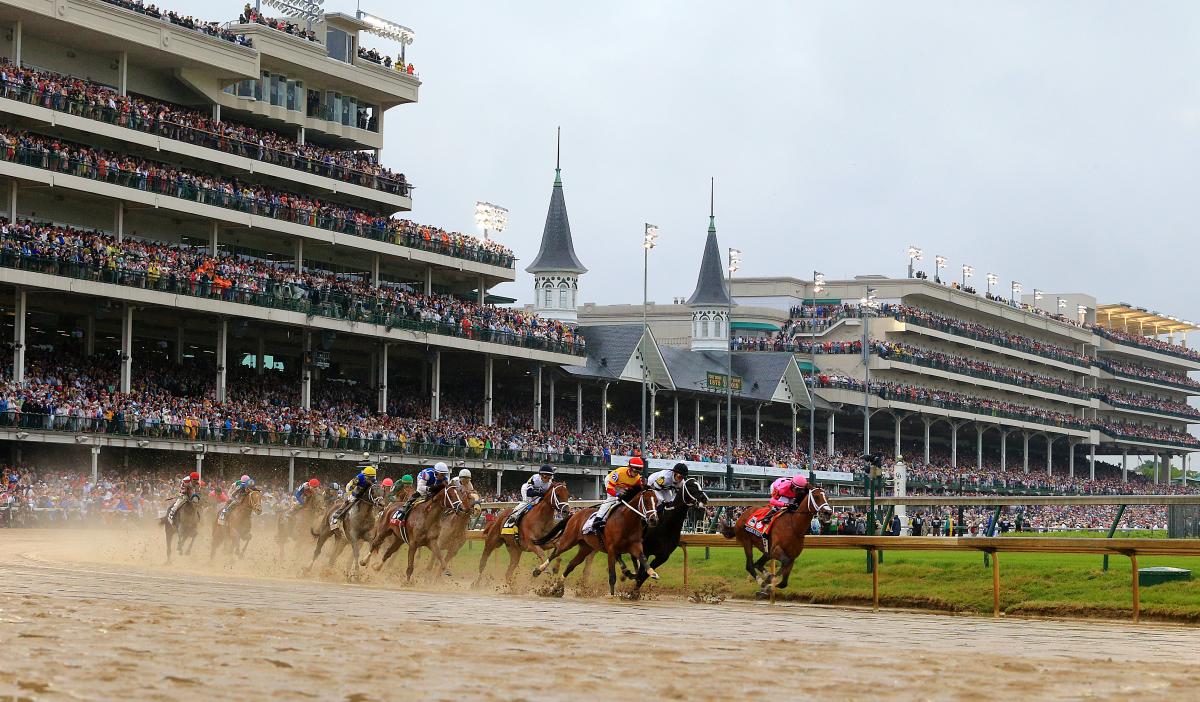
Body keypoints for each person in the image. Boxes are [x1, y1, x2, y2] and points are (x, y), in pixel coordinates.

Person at [591, 457, 644, 538]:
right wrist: (617, 495)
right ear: (629, 467)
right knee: (612, 499)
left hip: (622, 486)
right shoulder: (619, 472)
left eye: (638, 471)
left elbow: (639, 491)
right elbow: (609, 489)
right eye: (635, 470)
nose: (636, 473)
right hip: (611, 483)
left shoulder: (637, 479)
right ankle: (598, 519)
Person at [504, 465, 555, 530]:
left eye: (549, 477)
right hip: (526, 490)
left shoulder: (549, 483)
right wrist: (541, 494)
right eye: (545, 477)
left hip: (538, 492)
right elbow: (529, 493)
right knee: (528, 503)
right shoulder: (535, 478)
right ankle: (513, 516)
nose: (547, 479)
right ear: (540, 475)